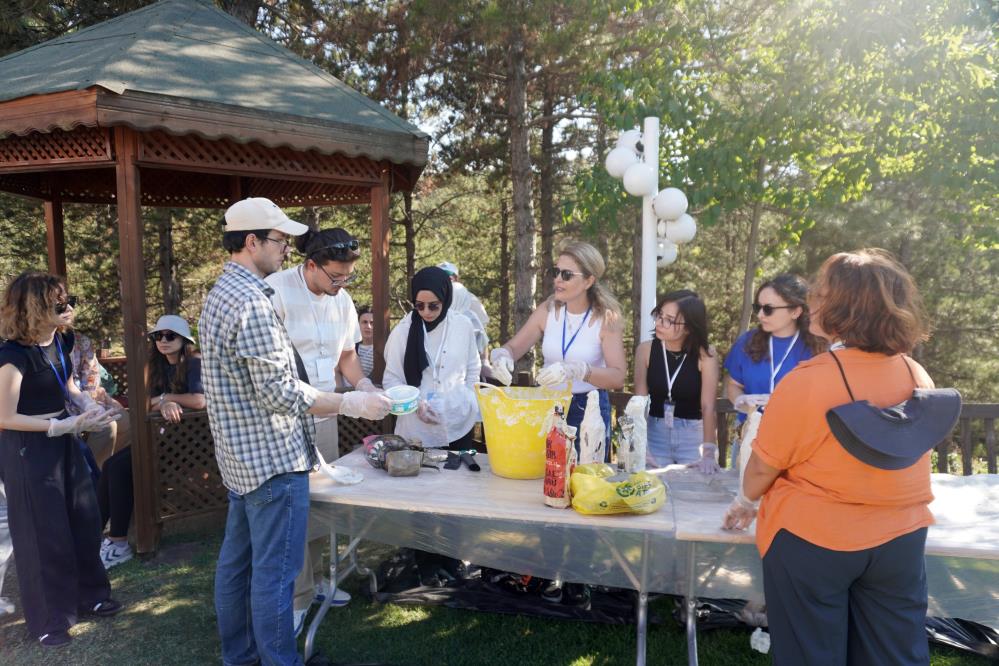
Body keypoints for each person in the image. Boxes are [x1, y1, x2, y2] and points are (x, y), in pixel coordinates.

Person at [201, 197, 392, 666]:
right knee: (276, 576)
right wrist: (350, 401)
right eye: (280, 240)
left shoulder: (222, 293)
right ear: (252, 242)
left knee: (237, 566)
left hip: (240, 457)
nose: (285, 248)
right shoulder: (254, 301)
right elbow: (280, 393)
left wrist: (356, 387)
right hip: (273, 457)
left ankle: (240, 657)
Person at [724, 249, 935, 665]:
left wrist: (746, 501)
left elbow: (763, 467)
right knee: (893, 656)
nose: (814, 300)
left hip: (813, 542)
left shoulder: (808, 381)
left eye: (822, 293)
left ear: (842, 307)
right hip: (900, 542)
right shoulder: (915, 374)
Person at [0, 271, 123, 648]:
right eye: (59, 302)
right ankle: (49, 619)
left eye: (69, 300)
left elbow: (67, 384)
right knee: (44, 531)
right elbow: (4, 416)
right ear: (36, 306)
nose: (68, 308)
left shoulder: (61, 340)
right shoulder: (12, 354)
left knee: (83, 518)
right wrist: (59, 426)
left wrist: (88, 406)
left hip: (65, 439)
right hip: (29, 450)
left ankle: (91, 596)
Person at [265, 226, 379, 633]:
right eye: (335, 276)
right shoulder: (274, 291)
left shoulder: (342, 300)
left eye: (348, 277)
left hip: (327, 413)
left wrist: (364, 385)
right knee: (293, 508)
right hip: (284, 419)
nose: (342, 284)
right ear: (310, 265)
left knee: (320, 506)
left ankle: (315, 582)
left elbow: (347, 354)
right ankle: (295, 600)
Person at [489, 240, 625, 450]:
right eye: (556, 272)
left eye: (567, 275)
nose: (558, 280)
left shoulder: (605, 318)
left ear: (589, 281)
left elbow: (617, 376)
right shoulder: (549, 309)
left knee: (584, 477)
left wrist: (580, 371)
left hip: (587, 408)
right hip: (549, 404)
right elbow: (515, 347)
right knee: (544, 475)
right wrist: (501, 356)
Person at [96, 315, 205, 569]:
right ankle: (97, 536)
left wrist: (166, 398)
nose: (163, 341)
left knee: (122, 468)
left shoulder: (194, 362)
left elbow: (200, 401)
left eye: (170, 336)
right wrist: (166, 402)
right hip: (161, 439)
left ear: (184, 339)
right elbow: (143, 401)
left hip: (190, 442)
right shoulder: (155, 366)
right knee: (112, 465)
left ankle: (119, 542)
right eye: (158, 336)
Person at [723, 274, 825, 465]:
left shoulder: (817, 348)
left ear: (795, 311)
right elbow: (733, 385)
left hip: (796, 441)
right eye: (757, 308)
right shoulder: (747, 341)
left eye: (768, 309)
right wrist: (740, 400)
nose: (760, 315)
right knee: (744, 491)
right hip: (750, 435)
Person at [384, 266, 481, 449]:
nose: (426, 312)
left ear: (445, 299)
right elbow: (391, 379)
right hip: (416, 430)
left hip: (458, 423)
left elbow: (473, 367)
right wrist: (414, 403)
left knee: (460, 476)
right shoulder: (403, 332)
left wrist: (468, 398)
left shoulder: (463, 325)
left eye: (433, 305)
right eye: (419, 305)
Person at [633, 290, 720, 470]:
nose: (659, 323)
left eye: (669, 320)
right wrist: (641, 445)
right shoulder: (646, 350)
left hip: (693, 435)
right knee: (651, 491)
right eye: (659, 315)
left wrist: (709, 451)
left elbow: (708, 406)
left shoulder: (706, 355)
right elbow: (639, 402)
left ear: (689, 327)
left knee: (696, 490)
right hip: (655, 432)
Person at [438, 261, 490, 356]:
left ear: (456, 278)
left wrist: (484, 361)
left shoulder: (471, 300)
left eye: (448, 278)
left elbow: (482, 331)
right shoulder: (429, 301)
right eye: (439, 278)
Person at [353, 305, 377, 381]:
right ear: (358, 324)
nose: (368, 326)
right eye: (364, 322)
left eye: (372, 323)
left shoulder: (383, 349)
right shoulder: (350, 347)